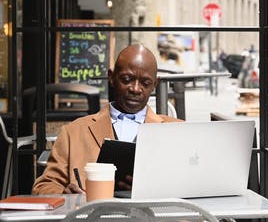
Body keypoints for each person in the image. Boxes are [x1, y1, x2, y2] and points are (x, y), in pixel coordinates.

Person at [32, 44, 182, 195]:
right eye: (127, 79)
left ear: (155, 84)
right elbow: (44, 186)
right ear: (111, 77)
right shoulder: (74, 132)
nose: (136, 89)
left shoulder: (177, 131)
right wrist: (65, 196)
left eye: (145, 83)